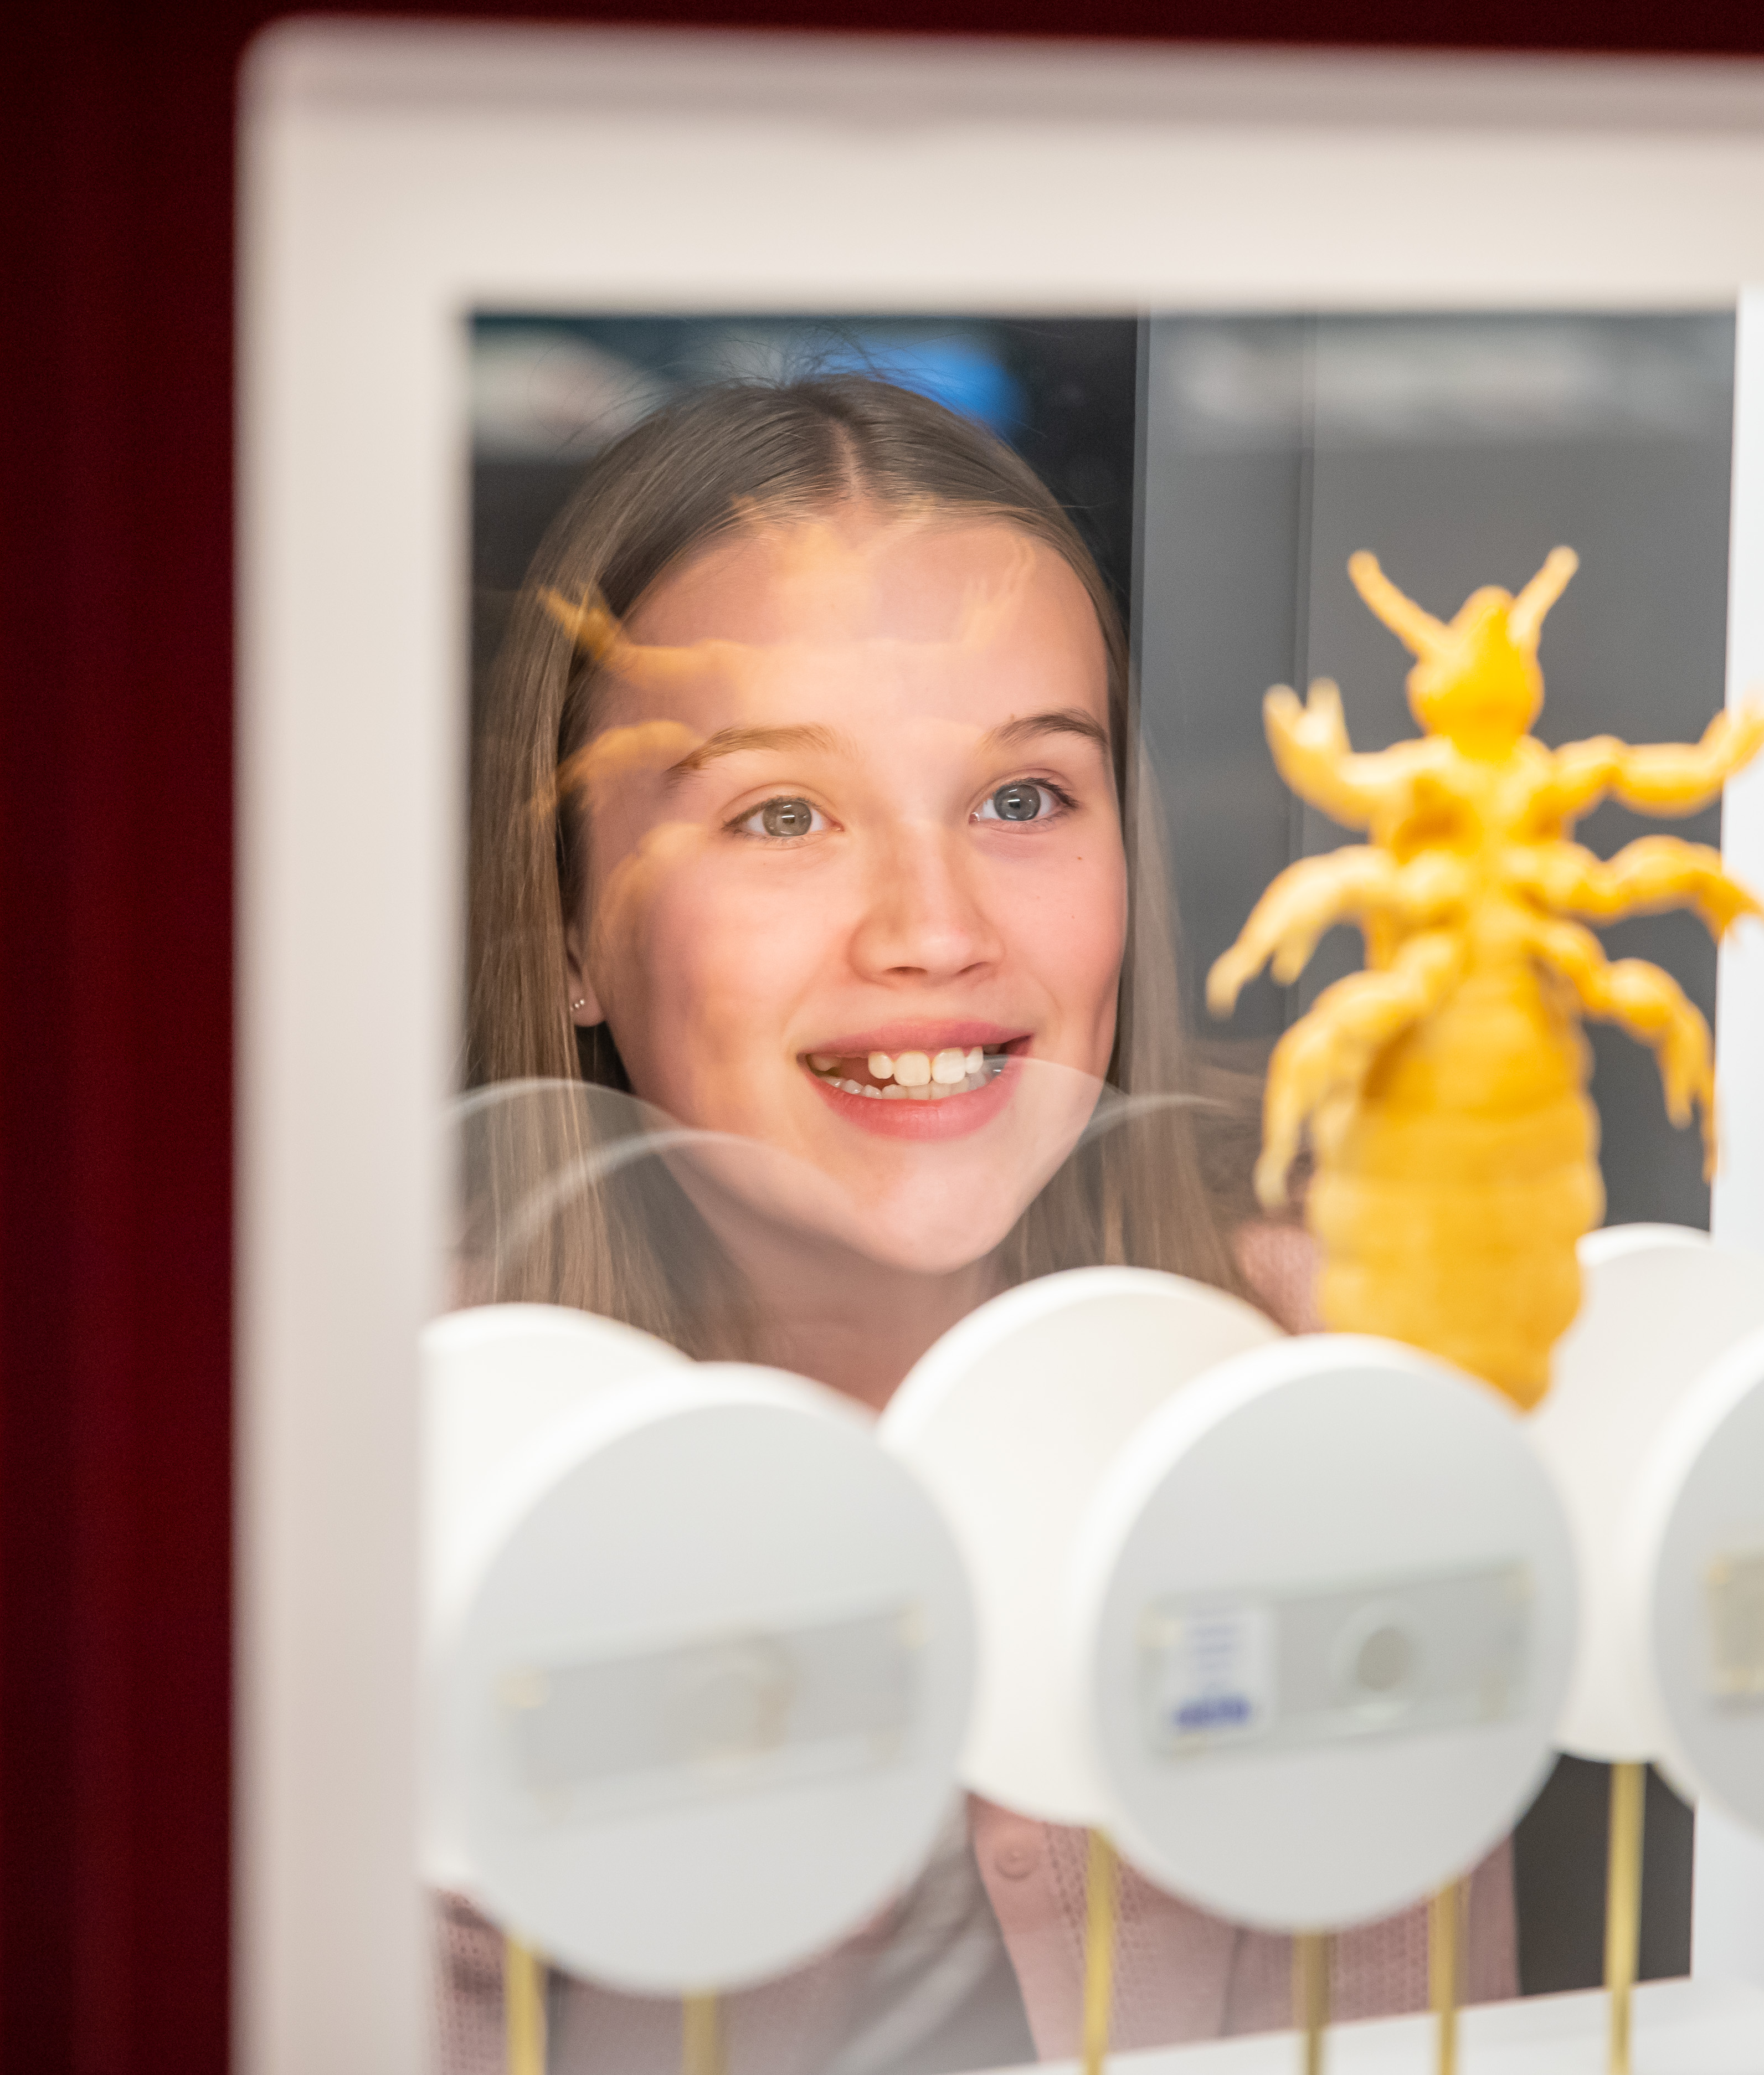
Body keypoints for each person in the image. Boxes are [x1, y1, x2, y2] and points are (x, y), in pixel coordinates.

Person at [453, 374, 1517, 2075]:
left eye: (1021, 798)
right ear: (571, 925)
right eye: (779, 814)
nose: (933, 930)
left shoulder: (1333, 1386)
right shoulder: (396, 1482)